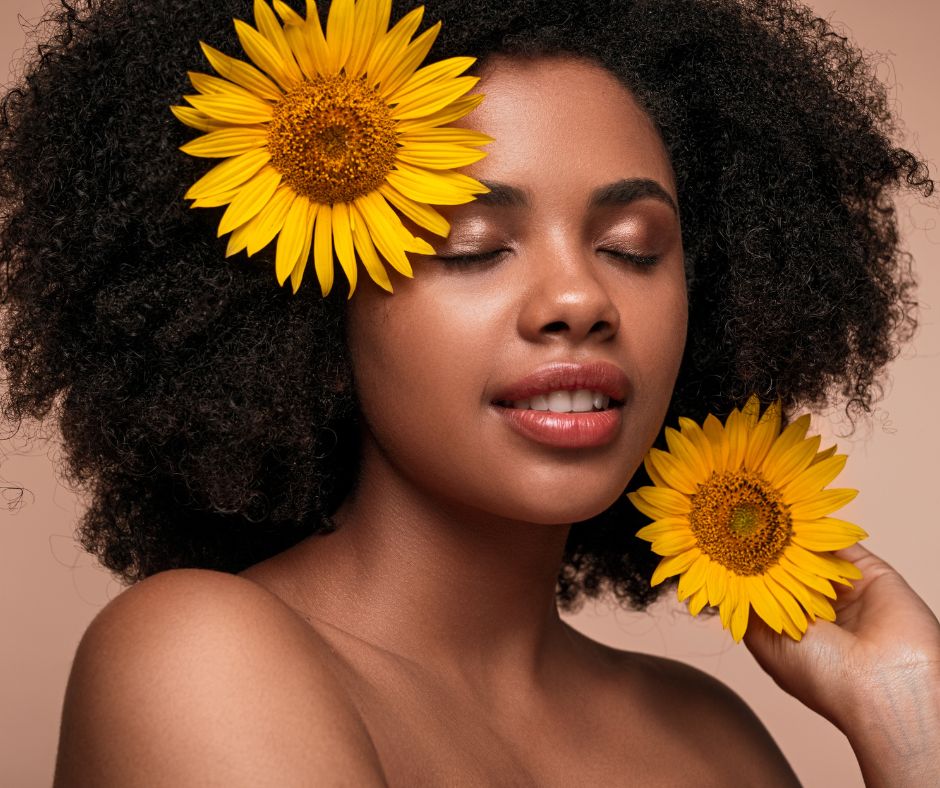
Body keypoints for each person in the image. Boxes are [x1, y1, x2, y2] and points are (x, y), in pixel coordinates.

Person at [1, 0, 937, 784]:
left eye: (632, 249)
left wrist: (910, 722)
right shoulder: (194, 656)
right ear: (309, 312)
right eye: (474, 246)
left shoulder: (715, 740)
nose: (581, 299)